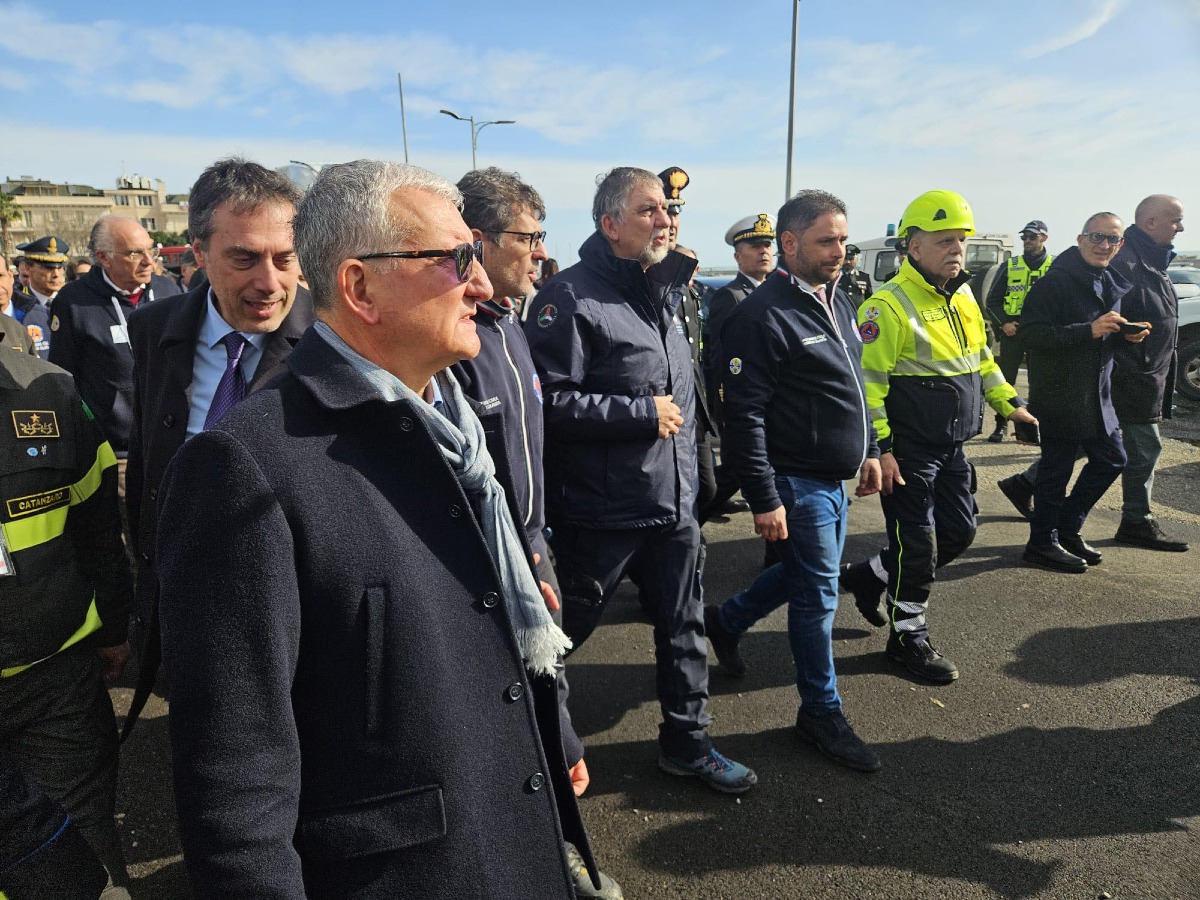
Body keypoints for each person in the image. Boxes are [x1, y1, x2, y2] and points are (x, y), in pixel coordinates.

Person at [155, 160, 595, 898]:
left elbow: (487, 633)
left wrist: (556, 736)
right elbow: (236, 779)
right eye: (456, 261)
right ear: (359, 287)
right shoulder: (246, 467)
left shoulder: (454, 428)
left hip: (509, 834)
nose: (482, 287)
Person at [525, 166, 757, 794]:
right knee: (556, 637)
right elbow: (544, 403)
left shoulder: (670, 290)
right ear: (610, 224)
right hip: (604, 508)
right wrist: (637, 414)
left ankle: (689, 743)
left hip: (675, 500)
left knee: (684, 629)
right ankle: (531, 748)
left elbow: (686, 390)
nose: (667, 219)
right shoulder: (568, 297)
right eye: (650, 209)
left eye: (670, 210)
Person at [450, 166, 621, 900]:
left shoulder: (511, 328)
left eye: (544, 236)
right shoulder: (458, 337)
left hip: (532, 542)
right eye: (527, 237)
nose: (540, 253)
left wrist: (542, 542)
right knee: (502, 712)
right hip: (482, 562)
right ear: (478, 242)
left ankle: (558, 847)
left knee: (548, 692)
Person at [121, 158, 313, 740]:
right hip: (185, 594)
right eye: (244, 258)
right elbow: (146, 455)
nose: (270, 282)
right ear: (199, 252)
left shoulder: (333, 337)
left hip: (296, 610)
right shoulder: (154, 329)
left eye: (285, 258)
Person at [702, 189, 883, 773]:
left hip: (835, 476)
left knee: (809, 572)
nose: (840, 250)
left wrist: (873, 449)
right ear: (789, 243)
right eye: (827, 240)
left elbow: (855, 384)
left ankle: (724, 621)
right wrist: (764, 496)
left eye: (843, 240)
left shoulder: (839, 299)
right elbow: (743, 416)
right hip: (796, 481)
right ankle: (820, 712)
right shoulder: (761, 315)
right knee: (817, 596)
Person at [839, 190, 1037, 684]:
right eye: (944, 240)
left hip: (951, 445)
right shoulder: (886, 307)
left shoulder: (964, 295)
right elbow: (869, 388)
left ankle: (868, 577)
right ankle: (908, 637)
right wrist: (880, 450)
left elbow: (982, 361)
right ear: (913, 246)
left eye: (962, 241)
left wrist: (1010, 405)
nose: (956, 250)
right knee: (919, 545)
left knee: (959, 532)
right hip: (907, 451)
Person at [0, 343, 133, 894]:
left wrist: (115, 629)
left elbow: (98, 524)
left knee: (84, 863)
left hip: (53, 684)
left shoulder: (51, 390)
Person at [1020, 213, 1137, 573]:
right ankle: (1041, 543)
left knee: (1113, 459)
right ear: (1080, 238)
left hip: (1097, 395)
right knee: (1055, 472)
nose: (1104, 245)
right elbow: (1032, 336)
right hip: (1059, 394)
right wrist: (1087, 330)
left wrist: (1124, 333)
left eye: (1112, 240)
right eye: (1097, 237)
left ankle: (1067, 529)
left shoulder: (1110, 280)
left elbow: (1101, 335)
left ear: (1119, 246)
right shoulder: (1053, 283)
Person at [48, 216, 183, 489]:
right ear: (104, 258)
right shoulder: (73, 301)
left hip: (173, 444)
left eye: (151, 250)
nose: (149, 261)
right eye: (135, 253)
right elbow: (64, 379)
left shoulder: (169, 290)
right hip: (117, 453)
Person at [1110, 194, 1189, 552]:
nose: (1181, 227)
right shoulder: (1125, 262)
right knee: (1145, 447)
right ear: (1150, 223)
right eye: (1175, 220)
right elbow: (1103, 319)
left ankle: (1025, 484)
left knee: (1092, 441)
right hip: (1130, 376)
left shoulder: (1150, 260)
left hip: (1145, 374)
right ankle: (1136, 521)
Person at [700, 213, 778, 522]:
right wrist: (725, 405)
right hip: (741, 402)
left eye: (767, 245)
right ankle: (688, 524)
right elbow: (722, 357)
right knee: (735, 469)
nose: (764, 252)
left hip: (769, 402)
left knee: (743, 469)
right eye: (755, 246)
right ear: (737, 256)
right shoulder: (730, 296)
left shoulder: (770, 293)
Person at [985, 220, 1054, 442]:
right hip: (1013, 331)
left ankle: (1036, 426)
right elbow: (992, 301)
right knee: (1006, 380)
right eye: (1024, 237)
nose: (1027, 241)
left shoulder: (1055, 267)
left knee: (1040, 382)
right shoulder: (1010, 265)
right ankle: (1001, 425)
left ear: (1044, 238)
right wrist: (1004, 323)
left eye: (1032, 237)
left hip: (1041, 333)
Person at [12, 235, 65, 358]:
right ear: (27, 268)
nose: (56, 274)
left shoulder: (73, 303)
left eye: (60, 267)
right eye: (48, 267)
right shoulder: (18, 307)